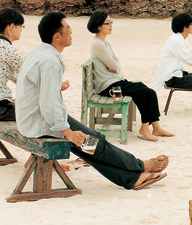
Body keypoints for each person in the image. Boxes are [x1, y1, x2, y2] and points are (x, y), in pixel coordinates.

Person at [16, 12, 169, 190]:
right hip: (41, 123)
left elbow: (41, 91)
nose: (71, 32)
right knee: (94, 143)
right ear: (57, 36)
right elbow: (49, 104)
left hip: (35, 119)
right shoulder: (49, 61)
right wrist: (68, 133)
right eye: (68, 29)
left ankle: (132, 177)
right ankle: (140, 166)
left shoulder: (40, 52)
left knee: (91, 148)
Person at [87, 11, 173, 141]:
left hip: (114, 82)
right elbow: (116, 66)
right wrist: (113, 67)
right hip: (108, 89)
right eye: (107, 23)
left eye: (111, 22)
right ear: (99, 26)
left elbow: (117, 64)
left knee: (142, 89)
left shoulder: (105, 43)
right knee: (147, 93)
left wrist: (114, 67)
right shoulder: (98, 44)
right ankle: (145, 128)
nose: (111, 25)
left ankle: (155, 127)